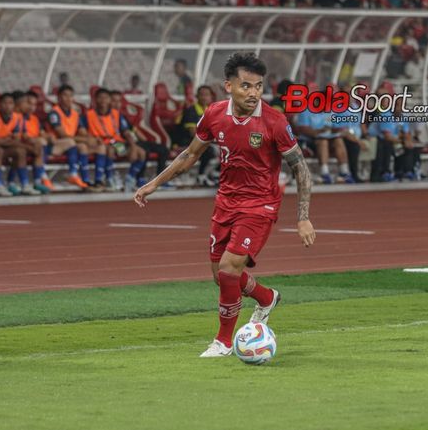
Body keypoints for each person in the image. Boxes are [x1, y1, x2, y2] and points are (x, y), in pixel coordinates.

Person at [133, 52, 316, 357]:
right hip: (226, 203)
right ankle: (267, 297)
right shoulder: (215, 114)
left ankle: (223, 341)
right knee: (221, 275)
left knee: (231, 269)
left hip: (260, 205)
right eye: (246, 86)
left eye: (258, 86)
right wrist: (154, 183)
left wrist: (303, 217)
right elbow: (189, 155)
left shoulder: (274, 121)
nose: (253, 92)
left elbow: (301, 168)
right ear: (228, 85)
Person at [46, 84, 92, 189]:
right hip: (56, 144)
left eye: (70, 96)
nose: (68, 98)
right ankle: (72, 174)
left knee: (83, 147)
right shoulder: (54, 113)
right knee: (71, 142)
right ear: (58, 97)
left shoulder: (75, 114)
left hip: (70, 144)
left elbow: (82, 131)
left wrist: (90, 139)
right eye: (65, 95)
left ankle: (85, 180)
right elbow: (62, 135)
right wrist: (84, 139)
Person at [297, 103, 356, 184]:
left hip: (329, 137)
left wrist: (334, 130)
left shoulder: (330, 111)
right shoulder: (305, 111)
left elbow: (336, 127)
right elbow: (302, 129)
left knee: (338, 140)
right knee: (323, 141)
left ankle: (344, 172)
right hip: (310, 141)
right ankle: (324, 173)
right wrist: (319, 132)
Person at [178, 85, 218, 186]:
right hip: (188, 141)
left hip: (203, 139)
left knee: (226, 148)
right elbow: (193, 133)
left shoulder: (209, 110)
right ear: (197, 96)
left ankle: (214, 174)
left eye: (207, 95)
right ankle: (201, 176)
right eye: (202, 95)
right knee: (209, 149)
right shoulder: (191, 111)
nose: (204, 97)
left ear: (211, 97)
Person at [15, 90, 51, 194]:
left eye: (34, 104)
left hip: (26, 144)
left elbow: (41, 133)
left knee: (40, 144)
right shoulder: (17, 117)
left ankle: (37, 180)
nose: (31, 107)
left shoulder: (34, 118)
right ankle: (18, 183)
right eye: (28, 103)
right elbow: (22, 136)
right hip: (15, 145)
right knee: (22, 151)